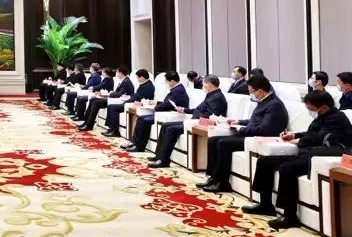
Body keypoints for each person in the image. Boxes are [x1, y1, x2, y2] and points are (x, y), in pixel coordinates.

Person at [241, 90, 352, 229]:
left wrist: (299, 141)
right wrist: (294, 135)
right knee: (264, 162)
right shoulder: (323, 116)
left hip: (318, 157)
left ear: (323, 107)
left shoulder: (337, 118)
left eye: (310, 108)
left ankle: (290, 216)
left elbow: (320, 137)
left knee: (287, 169)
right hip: (307, 153)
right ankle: (265, 204)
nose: (310, 111)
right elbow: (311, 132)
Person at [199, 75, 289, 193]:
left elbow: (264, 129)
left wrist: (241, 129)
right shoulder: (264, 101)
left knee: (223, 143)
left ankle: (223, 183)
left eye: (251, 91)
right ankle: (213, 177)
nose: (251, 94)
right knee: (213, 140)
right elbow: (255, 121)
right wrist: (238, 122)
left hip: (258, 138)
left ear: (260, 91)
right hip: (250, 133)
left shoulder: (274, 105)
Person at [148, 75, 228, 168]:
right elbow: (199, 109)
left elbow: (211, 115)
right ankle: (159, 156)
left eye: (203, 84)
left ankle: (164, 160)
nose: (202, 86)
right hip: (193, 121)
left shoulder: (217, 97)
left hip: (199, 123)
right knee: (165, 126)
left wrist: (194, 119)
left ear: (209, 84)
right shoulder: (211, 95)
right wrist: (184, 110)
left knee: (171, 129)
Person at [122, 71, 189, 153]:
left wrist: (155, 107)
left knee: (145, 120)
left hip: (171, 114)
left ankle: (139, 147)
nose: (166, 83)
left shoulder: (178, 90)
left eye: (166, 81)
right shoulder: (176, 89)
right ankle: (135, 143)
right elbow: (168, 102)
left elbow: (168, 104)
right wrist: (155, 103)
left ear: (172, 81)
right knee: (141, 118)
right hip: (166, 112)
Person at [78, 66, 135, 131]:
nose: (116, 73)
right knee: (92, 100)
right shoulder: (123, 81)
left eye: (117, 72)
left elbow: (119, 94)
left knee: (96, 103)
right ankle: (86, 122)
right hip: (114, 98)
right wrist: (111, 93)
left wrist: (111, 93)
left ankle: (89, 125)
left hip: (119, 100)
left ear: (121, 73)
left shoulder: (126, 82)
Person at [103, 69, 155, 137]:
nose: (137, 79)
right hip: (133, 102)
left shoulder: (148, 86)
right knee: (110, 106)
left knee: (113, 107)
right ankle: (111, 128)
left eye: (137, 77)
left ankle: (115, 131)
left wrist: (128, 100)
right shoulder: (144, 84)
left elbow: (139, 97)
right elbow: (136, 95)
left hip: (138, 104)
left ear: (142, 77)